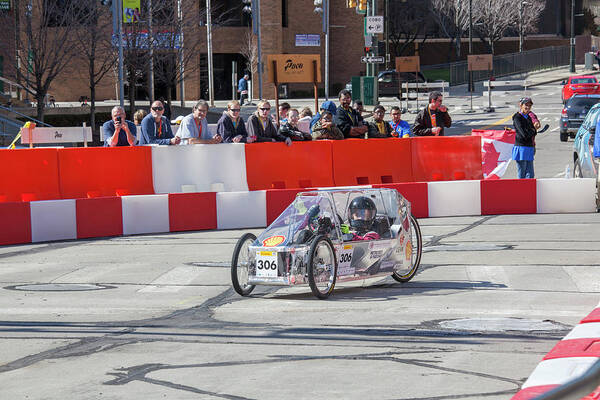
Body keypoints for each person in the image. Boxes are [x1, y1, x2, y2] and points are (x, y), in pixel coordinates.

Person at [512, 97, 537, 179]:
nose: (528, 107)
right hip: (521, 147)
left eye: (530, 105)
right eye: (526, 105)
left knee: (530, 174)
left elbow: (532, 132)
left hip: (529, 147)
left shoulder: (529, 117)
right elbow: (523, 134)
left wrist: (532, 131)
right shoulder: (517, 117)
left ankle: (528, 190)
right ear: (521, 105)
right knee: (522, 173)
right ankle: (520, 190)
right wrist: (533, 131)